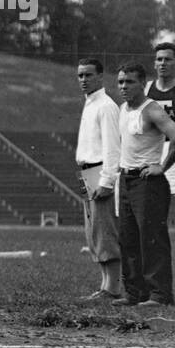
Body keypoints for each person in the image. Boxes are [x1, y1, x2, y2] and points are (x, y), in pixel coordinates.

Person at [114, 61, 175, 307]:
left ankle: (160, 295)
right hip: (126, 180)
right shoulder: (123, 109)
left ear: (143, 84)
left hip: (148, 182)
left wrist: (162, 167)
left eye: (129, 82)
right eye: (121, 81)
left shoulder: (152, 109)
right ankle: (135, 293)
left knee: (151, 238)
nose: (124, 86)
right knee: (128, 237)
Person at [75, 57, 121, 299]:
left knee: (105, 230)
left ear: (100, 77)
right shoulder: (89, 104)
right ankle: (104, 284)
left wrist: (107, 181)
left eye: (88, 75)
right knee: (93, 231)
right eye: (80, 75)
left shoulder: (106, 106)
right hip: (85, 172)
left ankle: (113, 287)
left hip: (99, 171)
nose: (83, 80)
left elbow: (113, 147)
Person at [144, 42, 175, 270]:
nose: (163, 63)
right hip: (151, 153)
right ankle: (152, 273)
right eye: (159, 59)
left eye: (168, 59)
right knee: (149, 220)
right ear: (154, 63)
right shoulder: (145, 89)